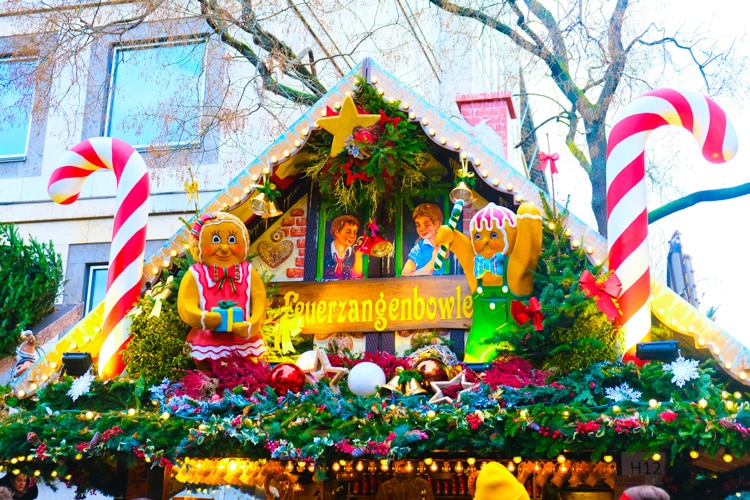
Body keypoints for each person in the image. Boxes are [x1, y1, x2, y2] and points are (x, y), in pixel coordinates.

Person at [177, 211, 268, 368]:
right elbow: (186, 305)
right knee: (207, 376)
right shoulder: (195, 274)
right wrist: (203, 318)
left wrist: (250, 325)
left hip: (242, 342)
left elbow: (260, 305)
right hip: (206, 341)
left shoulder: (248, 273)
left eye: (232, 240)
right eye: (216, 240)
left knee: (243, 375)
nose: (225, 247)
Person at [402, 203, 445, 276]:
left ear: (437, 224)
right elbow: (405, 273)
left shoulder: (445, 242)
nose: (421, 229)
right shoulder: (419, 247)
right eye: (418, 225)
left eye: (427, 225)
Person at [323, 214, 364, 279]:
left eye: (355, 232)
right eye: (348, 232)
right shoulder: (323, 251)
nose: (352, 236)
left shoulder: (354, 254)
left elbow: (357, 278)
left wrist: (358, 256)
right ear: (336, 233)